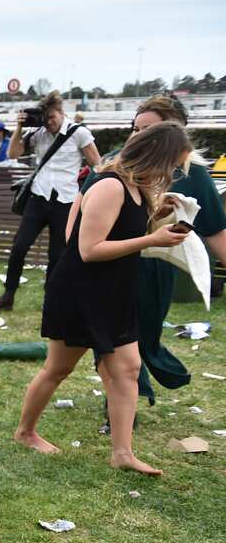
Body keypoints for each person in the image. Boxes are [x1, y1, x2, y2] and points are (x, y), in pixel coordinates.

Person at [13, 121, 194, 476]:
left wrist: (157, 217)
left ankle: (123, 453)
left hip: (114, 291)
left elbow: (121, 229)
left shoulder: (138, 188)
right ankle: (25, 432)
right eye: (173, 165)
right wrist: (150, 241)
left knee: (127, 368)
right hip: (81, 290)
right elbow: (88, 248)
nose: (172, 173)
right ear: (156, 155)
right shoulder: (110, 186)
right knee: (59, 368)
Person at [87, 95, 226, 417]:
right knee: (110, 340)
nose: (138, 136)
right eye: (135, 128)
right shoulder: (113, 165)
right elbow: (81, 219)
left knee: (143, 337)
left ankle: (145, 381)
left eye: (148, 129)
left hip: (155, 269)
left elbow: (216, 230)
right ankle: (120, 409)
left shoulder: (193, 174)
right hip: (111, 264)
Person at [0, 91, 101, 311]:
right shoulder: (37, 132)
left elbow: (97, 164)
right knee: (19, 246)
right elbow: (13, 154)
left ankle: (52, 299)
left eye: (52, 118)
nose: (49, 123)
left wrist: (88, 193)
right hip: (38, 198)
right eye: (45, 119)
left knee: (57, 254)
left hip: (65, 201)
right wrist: (19, 127)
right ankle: (8, 296)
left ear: (61, 112)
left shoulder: (79, 133)